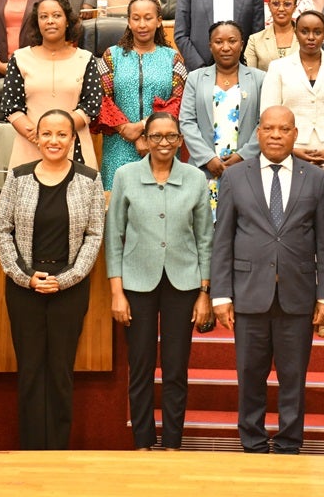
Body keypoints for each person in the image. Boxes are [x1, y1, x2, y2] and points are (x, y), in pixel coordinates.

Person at [211, 105, 324, 454]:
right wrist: (221, 295)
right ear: (258, 133)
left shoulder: (316, 178)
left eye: (284, 129)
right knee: (249, 376)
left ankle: (288, 444)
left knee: (293, 379)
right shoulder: (235, 177)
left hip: (297, 296)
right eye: (269, 129)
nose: (276, 135)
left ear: (295, 134)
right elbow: (223, 239)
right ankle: (251, 442)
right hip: (249, 294)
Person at [0, 108, 104, 450]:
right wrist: (25, 277)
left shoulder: (89, 179)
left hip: (68, 289)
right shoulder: (18, 177)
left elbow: (93, 236)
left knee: (60, 373)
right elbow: (3, 232)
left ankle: (57, 451)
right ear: (36, 137)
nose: (53, 141)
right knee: (29, 372)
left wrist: (68, 278)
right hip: (24, 288)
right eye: (47, 134)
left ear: (73, 139)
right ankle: (31, 449)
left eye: (62, 134)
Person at [106, 112, 213, 450]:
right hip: (137, 283)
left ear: (180, 140)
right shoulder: (125, 175)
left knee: (176, 368)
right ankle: (142, 441)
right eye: (156, 136)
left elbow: (205, 238)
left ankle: (172, 442)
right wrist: (117, 292)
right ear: (146, 140)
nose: (163, 143)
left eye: (170, 136)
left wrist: (204, 293)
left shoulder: (196, 178)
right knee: (139, 367)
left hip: (184, 283)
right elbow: (114, 237)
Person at [260, 11, 324, 336]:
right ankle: (295, 306)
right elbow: (269, 113)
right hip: (291, 156)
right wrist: (292, 149)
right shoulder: (279, 68)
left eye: (317, 31)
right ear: (296, 33)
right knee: (291, 233)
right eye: (305, 31)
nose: (311, 37)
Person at [95, 0, 186, 189]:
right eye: (136, 19)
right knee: (118, 207)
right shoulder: (112, 55)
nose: (142, 24)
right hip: (119, 143)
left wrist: (145, 128)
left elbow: (178, 101)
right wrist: (126, 129)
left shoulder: (173, 58)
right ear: (128, 22)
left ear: (159, 21)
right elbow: (102, 98)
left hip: (163, 144)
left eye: (148, 18)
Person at [3, 0, 101, 169]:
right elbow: (11, 106)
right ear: (37, 23)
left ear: (68, 21)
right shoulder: (20, 58)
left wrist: (59, 134)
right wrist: (41, 137)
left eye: (56, 15)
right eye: (43, 17)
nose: (50, 21)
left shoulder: (85, 59)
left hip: (73, 146)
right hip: (30, 145)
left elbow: (91, 106)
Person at [179, 21, 265, 214]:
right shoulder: (195, 78)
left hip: (246, 168)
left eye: (232, 41)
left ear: (241, 44)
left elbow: (263, 124)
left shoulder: (259, 79)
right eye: (218, 42)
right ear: (210, 46)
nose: (226, 47)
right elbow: (187, 121)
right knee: (205, 231)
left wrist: (242, 156)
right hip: (204, 170)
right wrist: (208, 159)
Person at [245, 0, 301, 72]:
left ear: (295, 7)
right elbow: (250, 77)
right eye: (276, 4)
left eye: (287, 4)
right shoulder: (255, 40)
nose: (281, 9)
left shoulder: (306, 39)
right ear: (269, 6)